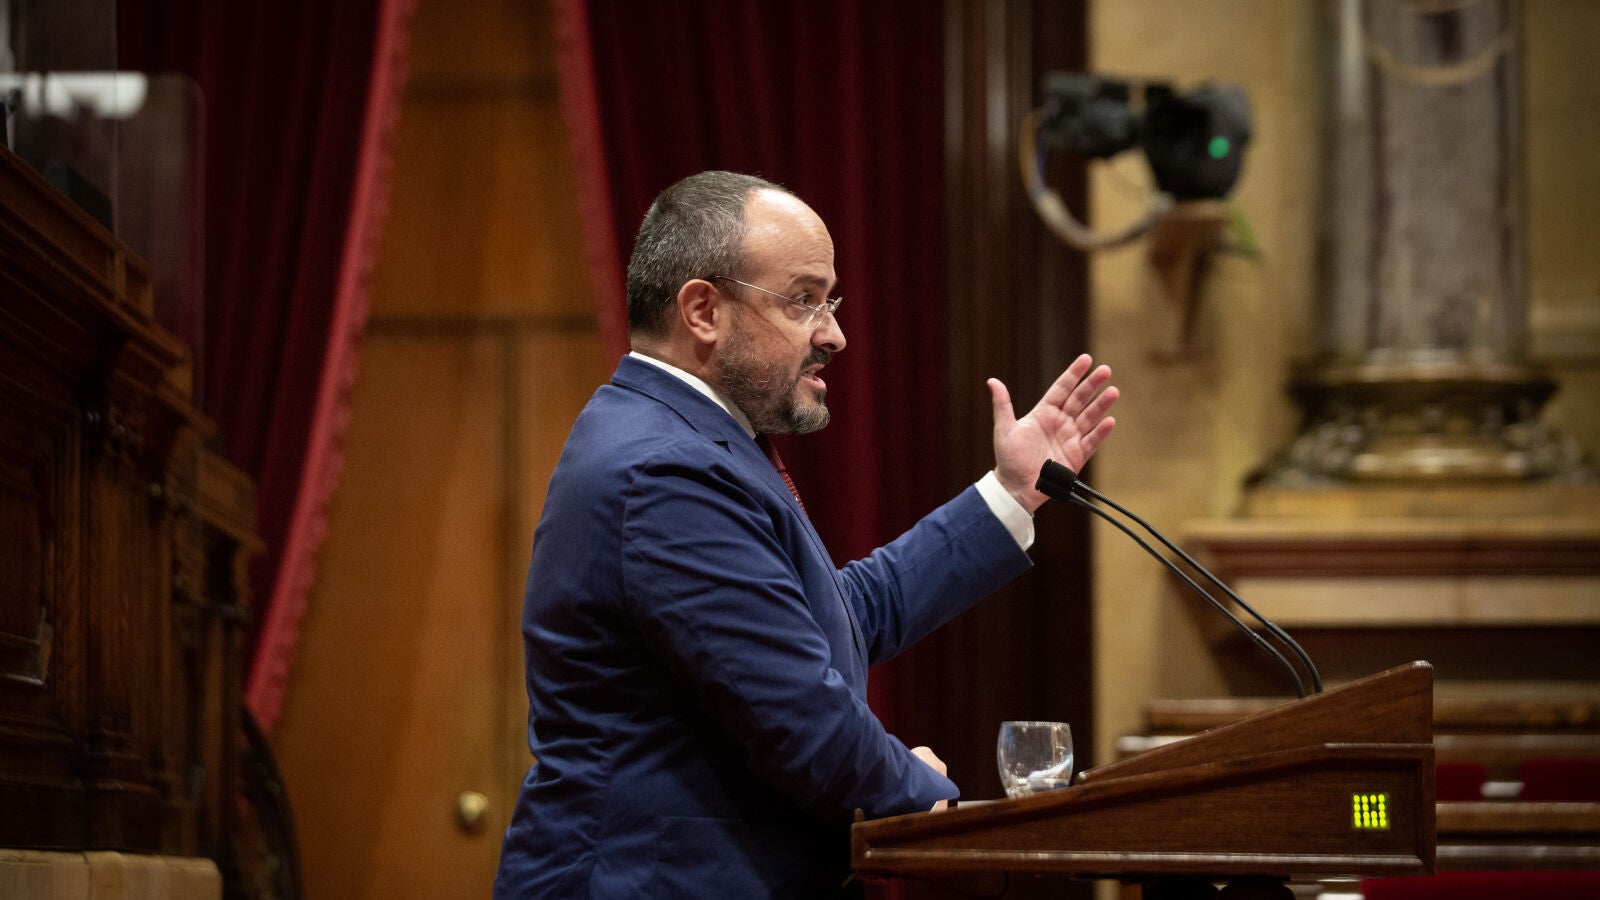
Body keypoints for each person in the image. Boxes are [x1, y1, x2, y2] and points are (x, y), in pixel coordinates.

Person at [493, 171, 1117, 898]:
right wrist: (929, 802)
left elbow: (834, 618)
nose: (834, 334)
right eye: (804, 300)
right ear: (703, 310)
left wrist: (1010, 494)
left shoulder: (685, 440)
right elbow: (801, 717)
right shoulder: (666, 468)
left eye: (831, 301)